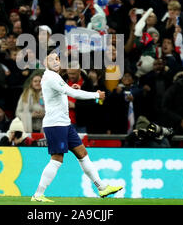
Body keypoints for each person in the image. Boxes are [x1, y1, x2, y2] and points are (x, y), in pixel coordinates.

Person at [31, 51, 123, 202]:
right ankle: (38, 195)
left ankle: (102, 187)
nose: (56, 61)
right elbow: (70, 92)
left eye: (57, 59)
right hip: (55, 124)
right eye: (51, 59)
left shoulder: (55, 77)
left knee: (83, 154)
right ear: (45, 64)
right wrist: (96, 95)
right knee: (56, 160)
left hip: (65, 124)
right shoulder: (50, 76)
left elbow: (64, 92)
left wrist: (71, 89)